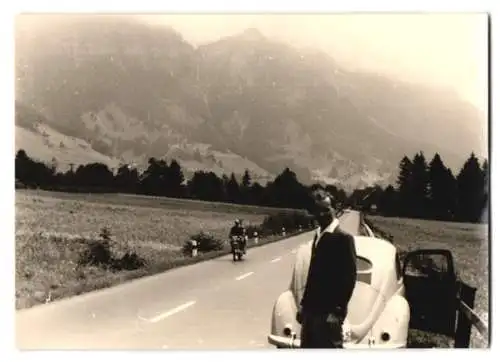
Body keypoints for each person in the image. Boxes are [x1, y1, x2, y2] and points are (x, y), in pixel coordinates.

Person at [297, 190, 357, 348]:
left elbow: (349, 278)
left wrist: (338, 311)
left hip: (328, 314)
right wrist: (303, 306)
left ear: (335, 209)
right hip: (311, 311)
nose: (323, 214)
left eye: (327, 209)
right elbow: (313, 275)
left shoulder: (344, 238)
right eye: (319, 210)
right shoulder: (319, 235)